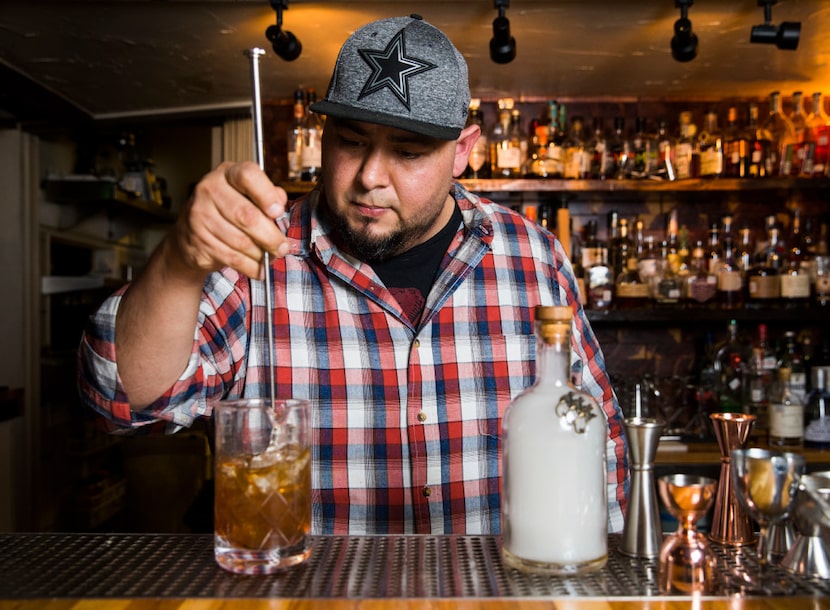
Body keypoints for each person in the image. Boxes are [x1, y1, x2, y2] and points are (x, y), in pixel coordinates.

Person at [78, 14, 628, 535]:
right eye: (351, 140)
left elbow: (599, 436)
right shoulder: (257, 251)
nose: (369, 177)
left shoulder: (532, 256)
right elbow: (122, 403)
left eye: (408, 152)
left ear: (462, 151)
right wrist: (179, 262)